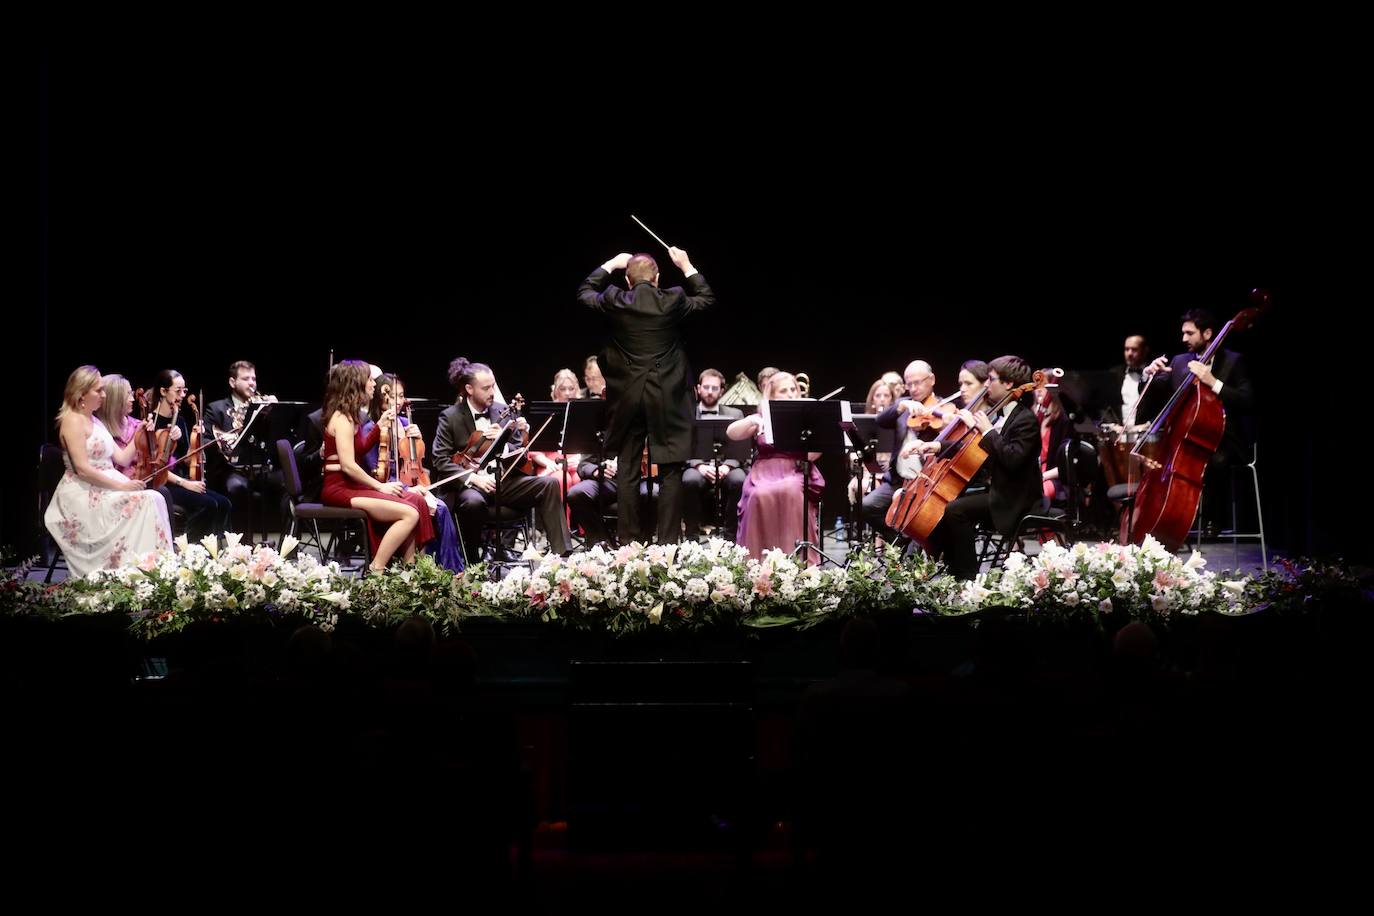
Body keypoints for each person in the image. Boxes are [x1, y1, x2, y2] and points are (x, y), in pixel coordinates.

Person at [577, 246, 715, 544]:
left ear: (628, 280)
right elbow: (706, 298)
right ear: (657, 279)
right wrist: (687, 264)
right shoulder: (673, 298)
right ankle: (666, 546)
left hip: (628, 399)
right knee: (671, 472)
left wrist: (611, 262)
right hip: (668, 398)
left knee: (627, 469)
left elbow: (585, 292)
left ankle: (629, 544)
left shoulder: (616, 299)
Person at [912, 356, 1042, 580]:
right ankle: (952, 571)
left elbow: (1012, 460)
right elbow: (969, 447)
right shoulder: (1002, 415)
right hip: (998, 492)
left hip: (1015, 499)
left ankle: (967, 577)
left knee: (956, 510)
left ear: (1008, 384)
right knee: (946, 507)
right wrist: (933, 445)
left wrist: (988, 431)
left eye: (991, 380)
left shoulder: (1025, 420)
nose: (987, 385)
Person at [430, 357, 570, 563]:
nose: (492, 392)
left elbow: (519, 451)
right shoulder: (450, 417)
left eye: (493, 386)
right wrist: (473, 479)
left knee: (549, 483)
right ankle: (472, 561)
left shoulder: (501, 411)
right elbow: (440, 460)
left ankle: (562, 556)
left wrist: (502, 443)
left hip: (503, 483)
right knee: (473, 503)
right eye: (485, 388)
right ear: (469, 389)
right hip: (471, 487)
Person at [44, 366, 171, 576]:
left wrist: (139, 431)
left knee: (155, 498)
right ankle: (140, 571)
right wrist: (123, 485)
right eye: (98, 390)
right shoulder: (72, 421)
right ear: (81, 393)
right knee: (148, 500)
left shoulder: (94, 420)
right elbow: (83, 470)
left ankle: (154, 569)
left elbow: (121, 457)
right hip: (83, 493)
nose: (104, 395)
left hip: (105, 485)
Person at [319, 360, 433, 573]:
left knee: (416, 500)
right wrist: (380, 487)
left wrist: (379, 426)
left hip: (351, 486)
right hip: (339, 489)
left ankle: (410, 571)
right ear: (357, 383)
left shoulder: (351, 416)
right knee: (409, 514)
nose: (374, 384)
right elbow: (348, 466)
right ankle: (377, 567)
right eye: (370, 379)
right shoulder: (342, 417)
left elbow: (359, 449)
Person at [358, 373, 463, 572]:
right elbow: (376, 473)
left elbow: (415, 462)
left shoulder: (405, 424)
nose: (400, 401)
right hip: (386, 488)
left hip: (411, 483)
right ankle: (423, 568)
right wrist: (409, 489)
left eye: (402, 395)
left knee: (442, 508)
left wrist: (418, 439)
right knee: (432, 507)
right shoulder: (372, 428)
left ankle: (448, 568)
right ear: (382, 398)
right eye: (394, 396)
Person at [728, 371, 825, 563]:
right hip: (764, 473)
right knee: (759, 495)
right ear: (771, 396)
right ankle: (757, 563)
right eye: (783, 390)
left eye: (792, 389)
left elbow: (813, 455)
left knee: (790, 491)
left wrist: (811, 433)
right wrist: (752, 420)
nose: (790, 394)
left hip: (795, 470)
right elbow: (731, 433)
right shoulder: (761, 417)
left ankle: (797, 563)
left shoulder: (805, 418)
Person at [202, 360, 285, 543]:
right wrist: (224, 442)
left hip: (262, 468)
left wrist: (276, 411)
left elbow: (277, 438)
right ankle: (241, 546)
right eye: (246, 378)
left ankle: (286, 545)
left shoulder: (264, 406)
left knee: (288, 484)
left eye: (253, 379)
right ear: (233, 383)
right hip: (233, 470)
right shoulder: (216, 409)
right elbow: (206, 440)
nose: (251, 383)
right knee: (237, 487)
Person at [150, 369, 233, 541]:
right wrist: (186, 483)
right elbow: (156, 467)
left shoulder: (179, 420)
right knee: (208, 505)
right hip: (165, 483)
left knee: (225, 503)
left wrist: (197, 439)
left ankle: (215, 551)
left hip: (182, 480)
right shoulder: (151, 422)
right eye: (178, 391)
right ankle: (191, 549)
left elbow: (187, 460)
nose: (182, 395)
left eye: (184, 391)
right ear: (163, 391)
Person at [683, 368, 746, 541]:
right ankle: (691, 539)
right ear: (698, 388)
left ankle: (730, 538)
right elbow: (683, 444)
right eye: (706, 387)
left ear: (722, 391)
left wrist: (727, 466)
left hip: (727, 465)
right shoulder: (688, 413)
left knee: (739, 480)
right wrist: (699, 465)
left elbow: (739, 447)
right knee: (689, 480)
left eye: (715, 388)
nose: (710, 392)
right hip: (698, 466)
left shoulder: (735, 414)